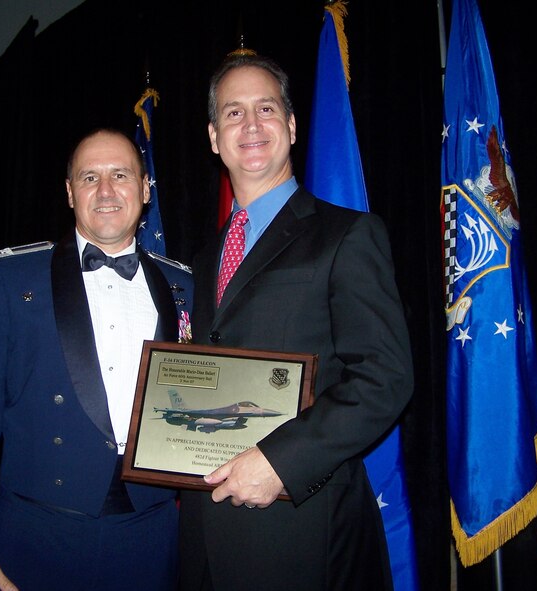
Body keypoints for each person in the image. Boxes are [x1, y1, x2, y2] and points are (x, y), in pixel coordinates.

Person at [178, 53, 413, 590]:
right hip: (205, 537)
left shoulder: (347, 235)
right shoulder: (204, 259)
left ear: (291, 125)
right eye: (233, 113)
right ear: (214, 138)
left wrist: (281, 462)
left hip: (304, 533)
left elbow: (385, 377)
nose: (251, 124)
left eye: (266, 108)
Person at [0, 128, 193, 591]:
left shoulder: (184, 286)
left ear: (145, 188)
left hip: (149, 539)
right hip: (33, 537)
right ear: (70, 192)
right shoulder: (14, 279)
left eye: (121, 175)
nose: (106, 190)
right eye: (90, 177)